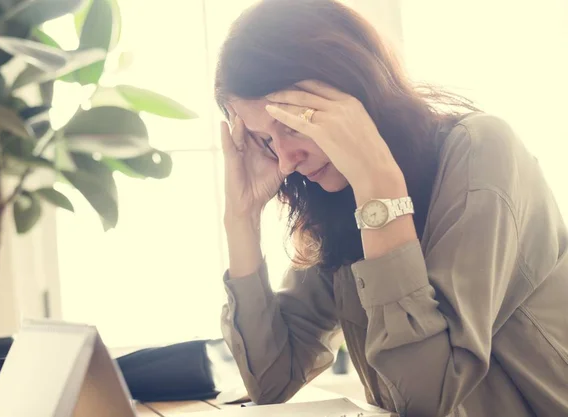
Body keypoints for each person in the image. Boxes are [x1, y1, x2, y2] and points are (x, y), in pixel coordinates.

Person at [214, 1, 568, 416]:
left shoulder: (481, 150)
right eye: (267, 140)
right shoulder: (335, 195)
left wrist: (379, 191)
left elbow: (426, 398)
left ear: (349, 87)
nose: (287, 159)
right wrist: (241, 218)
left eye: (293, 125)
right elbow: (271, 380)